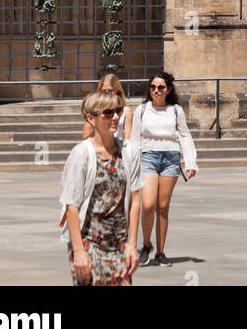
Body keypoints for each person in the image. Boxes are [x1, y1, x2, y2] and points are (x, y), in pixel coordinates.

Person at [58, 89, 141, 286]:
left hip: (120, 243)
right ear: (91, 118)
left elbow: (135, 200)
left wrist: (132, 244)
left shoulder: (129, 152)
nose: (115, 117)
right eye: (107, 113)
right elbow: (71, 205)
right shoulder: (81, 154)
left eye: (118, 111)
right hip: (89, 242)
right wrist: (78, 251)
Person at [132, 71, 197, 265]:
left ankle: (160, 252)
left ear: (168, 89)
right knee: (148, 204)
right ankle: (146, 244)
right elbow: (134, 139)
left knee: (162, 207)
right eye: (153, 87)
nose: (156, 91)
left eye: (160, 87)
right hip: (147, 157)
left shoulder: (175, 110)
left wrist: (190, 161)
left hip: (170, 158)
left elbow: (184, 135)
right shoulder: (142, 110)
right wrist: (130, 163)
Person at [82, 73, 132, 147]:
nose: (107, 94)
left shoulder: (126, 110)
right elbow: (85, 136)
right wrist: (100, 126)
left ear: (117, 91)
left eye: (110, 90)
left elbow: (128, 139)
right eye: (103, 91)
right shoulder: (94, 109)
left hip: (116, 149)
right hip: (97, 148)